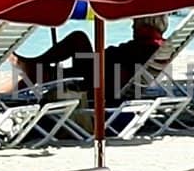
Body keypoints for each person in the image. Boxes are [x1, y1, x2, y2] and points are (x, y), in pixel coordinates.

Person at [14, 15, 168, 106]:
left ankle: (35, 66)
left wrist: (105, 54)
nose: (132, 26)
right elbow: (118, 58)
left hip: (104, 88)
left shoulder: (146, 47)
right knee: (73, 64)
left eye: (136, 23)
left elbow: (114, 57)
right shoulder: (156, 46)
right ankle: (37, 69)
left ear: (146, 25)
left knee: (78, 39)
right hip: (105, 78)